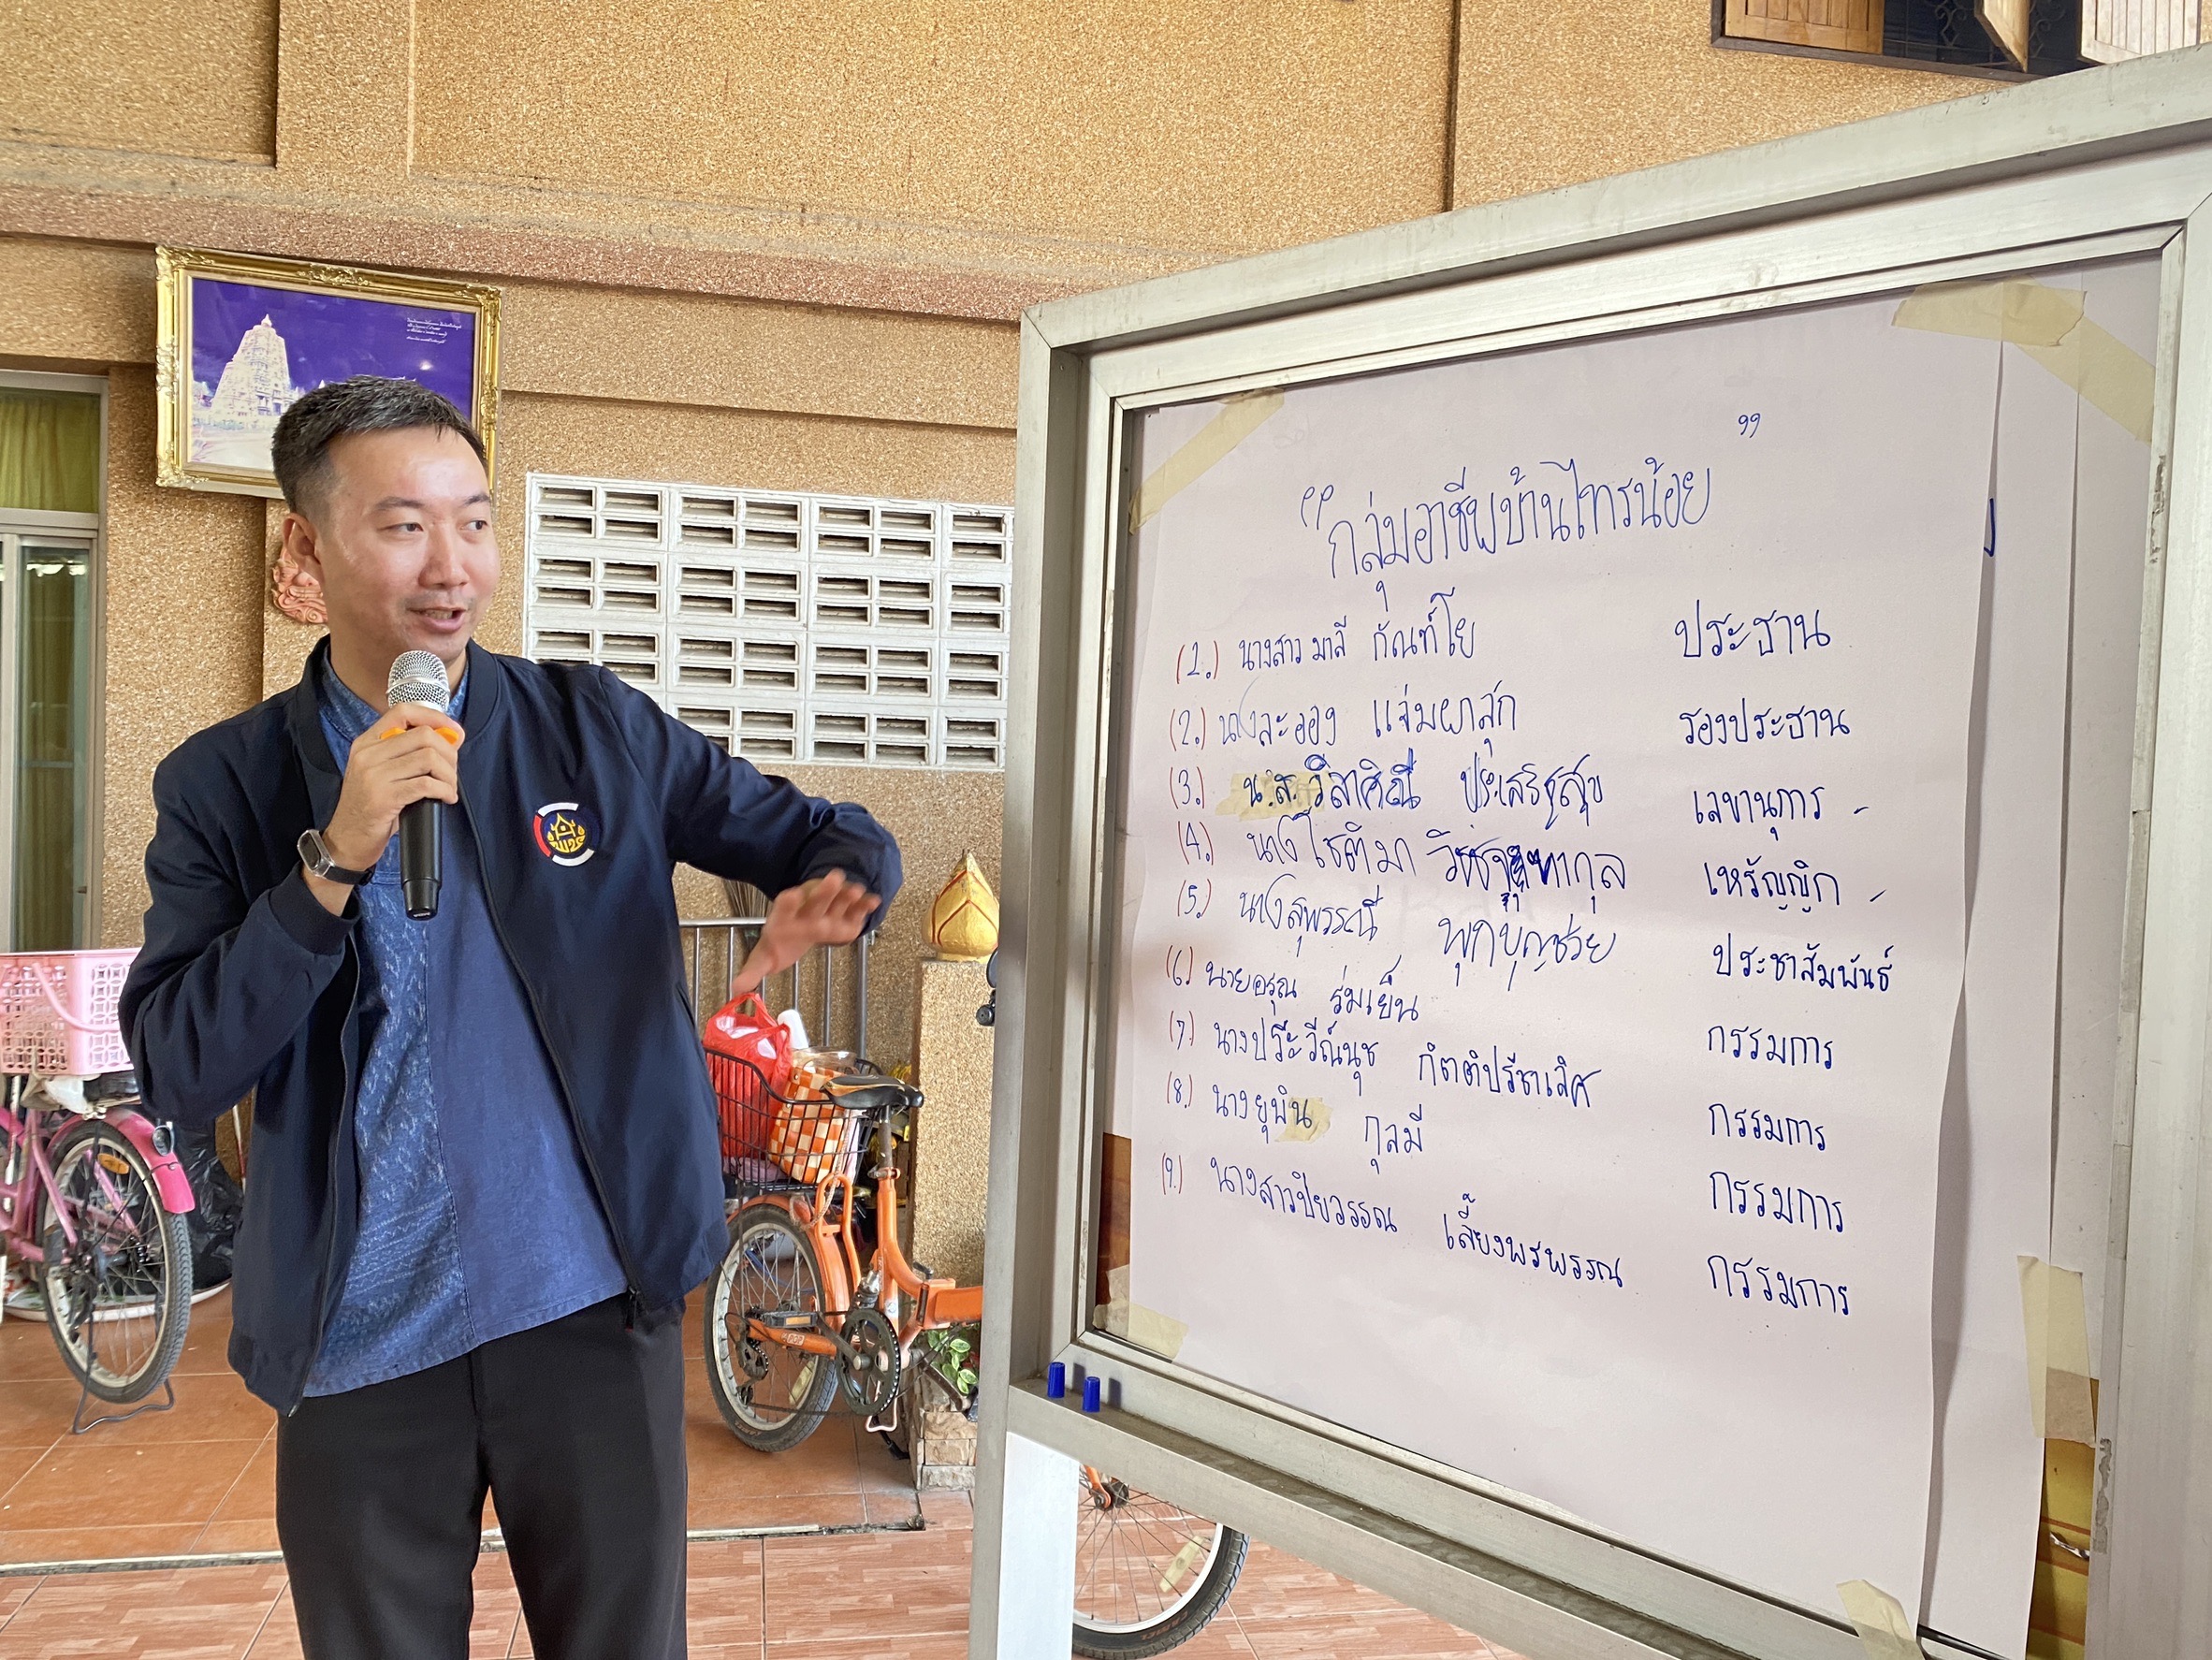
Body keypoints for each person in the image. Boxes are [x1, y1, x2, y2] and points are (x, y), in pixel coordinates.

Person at [119, 375, 900, 1660]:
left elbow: (818, 830)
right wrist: (332, 863)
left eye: (474, 521)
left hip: (588, 1317)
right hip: (358, 1345)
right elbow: (180, 1059)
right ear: (306, 550)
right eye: (404, 525)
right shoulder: (226, 785)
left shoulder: (595, 733)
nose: (454, 566)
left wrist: (839, 886)